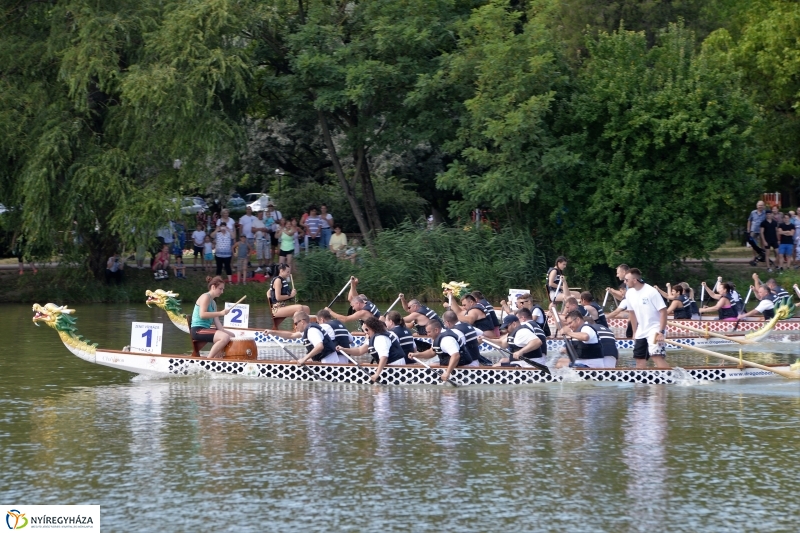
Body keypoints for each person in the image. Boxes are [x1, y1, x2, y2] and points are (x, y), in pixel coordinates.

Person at [338, 317, 409, 382]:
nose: (365, 332)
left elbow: (384, 357)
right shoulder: (374, 336)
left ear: (372, 328)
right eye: (364, 330)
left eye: (366, 329)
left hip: (395, 366)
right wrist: (343, 349)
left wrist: (377, 374)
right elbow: (360, 351)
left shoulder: (380, 338)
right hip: (390, 365)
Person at [624, 268, 669, 369]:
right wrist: (635, 332)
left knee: (656, 356)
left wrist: (661, 332)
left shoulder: (651, 292)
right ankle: (641, 383)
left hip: (655, 329)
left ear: (634, 280)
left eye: (626, 280)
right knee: (639, 359)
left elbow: (663, 312)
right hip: (641, 330)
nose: (624, 282)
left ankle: (669, 379)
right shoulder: (629, 293)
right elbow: (632, 313)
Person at [409, 319, 476, 382]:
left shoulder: (446, 340)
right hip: (456, 364)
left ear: (436, 330)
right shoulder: (439, 337)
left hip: (465, 367)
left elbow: (456, 356)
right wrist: (416, 355)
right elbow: (431, 352)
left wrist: (447, 373)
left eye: (429, 332)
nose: (427, 334)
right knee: (431, 364)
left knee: (432, 365)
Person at [267, 311, 339, 364]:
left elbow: (320, 346)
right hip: (325, 360)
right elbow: (291, 335)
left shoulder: (312, 331)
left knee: (298, 361)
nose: (295, 326)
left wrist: (304, 359)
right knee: (294, 362)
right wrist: (272, 332)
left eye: (296, 323)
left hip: (329, 363)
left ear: (302, 322)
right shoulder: (307, 330)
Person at [190, 276, 236, 359]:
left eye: (223, 289)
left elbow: (217, 323)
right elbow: (202, 315)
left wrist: (224, 331)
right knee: (224, 337)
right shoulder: (205, 297)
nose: (222, 292)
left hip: (205, 330)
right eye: (220, 289)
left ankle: (217, 358)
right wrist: (220, 313)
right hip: (198, 330)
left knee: (232, 335)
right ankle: (210, 359)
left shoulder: (214, 303)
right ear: (213, 287)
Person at [747, 200, 767, 266]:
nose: (760, 206)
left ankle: (763, 256)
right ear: (757, 206)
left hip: (762, 231)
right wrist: (748, 229)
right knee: (753, 245)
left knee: (763, 244)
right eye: (759, 205)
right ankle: (754, 257)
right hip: (754, 230)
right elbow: (749, 220)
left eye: (761, 205)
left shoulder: (765, 213)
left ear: (764, 206)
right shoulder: (753, 212)